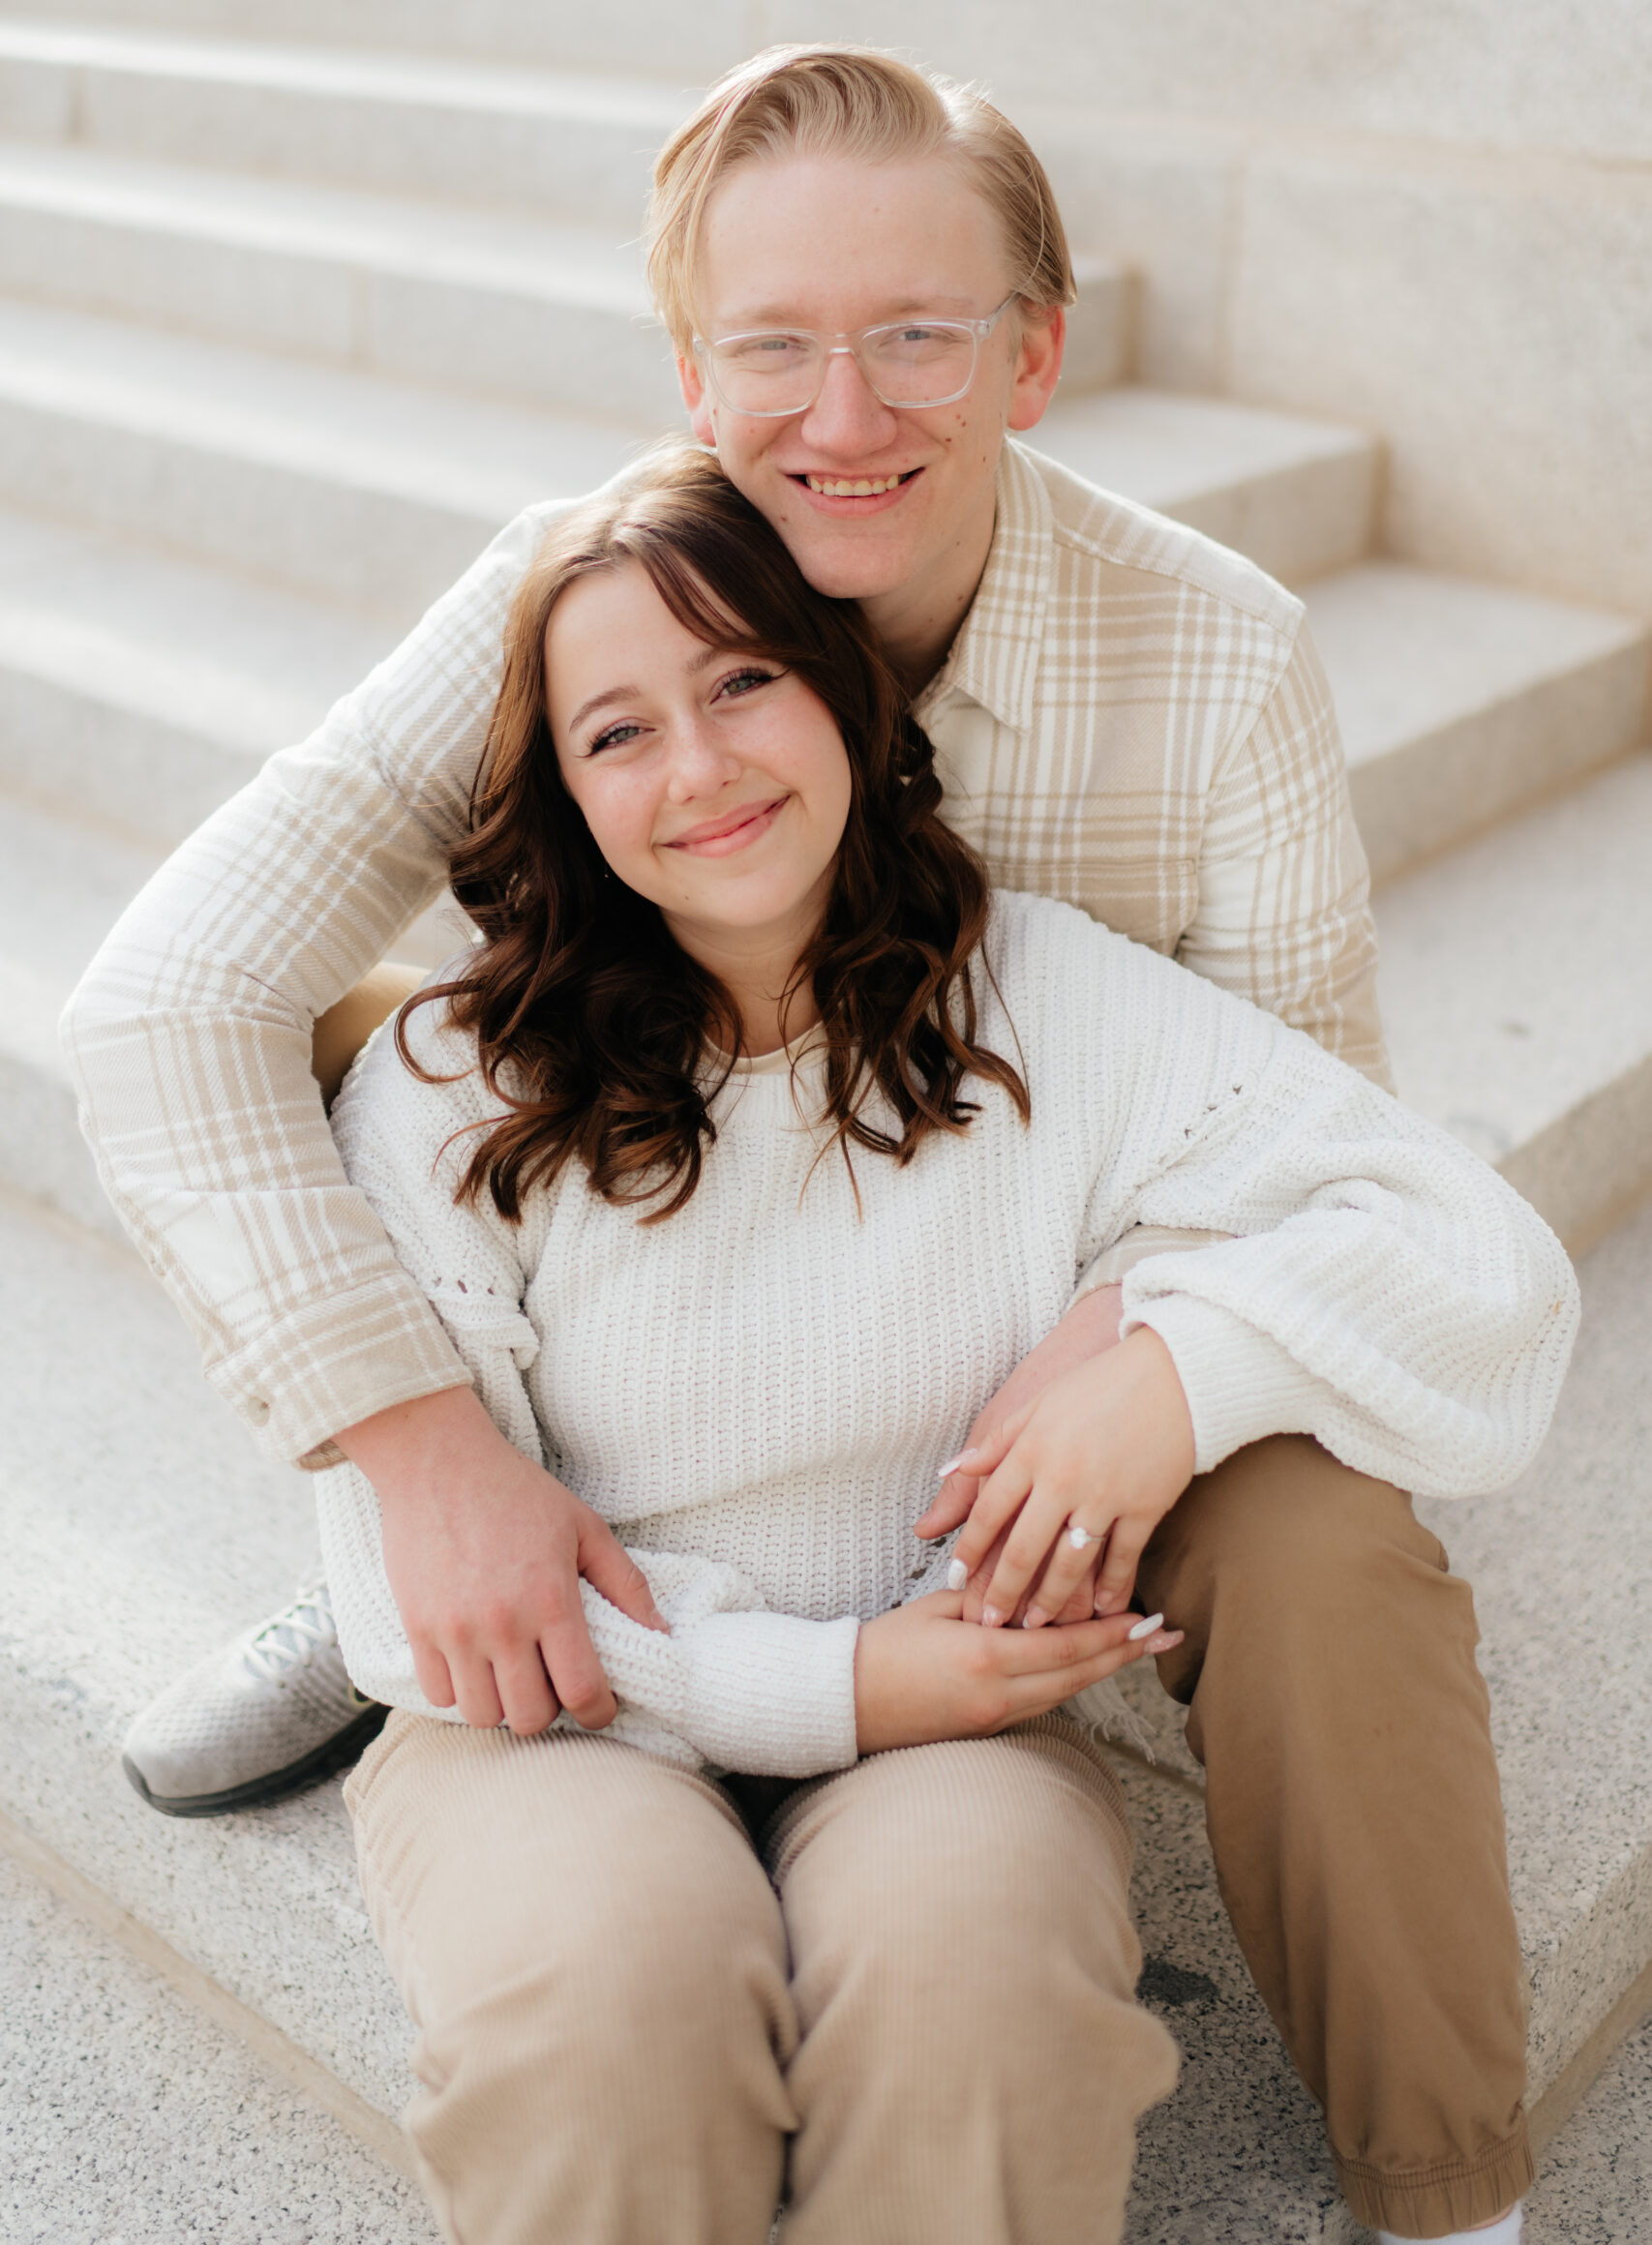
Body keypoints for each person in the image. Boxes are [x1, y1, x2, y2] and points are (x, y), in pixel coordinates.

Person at [63, 45, 1531, 2238]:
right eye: (772, 346)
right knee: (395, 1035)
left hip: (1040, 1300)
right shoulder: (572, 590)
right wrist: (424, 1446)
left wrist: (1151, 1348)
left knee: (1327, 1527)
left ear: (1034, 351)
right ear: (690, 367)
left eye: (916, 333)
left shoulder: (1214, 656)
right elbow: (163, 999)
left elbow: (1318, 1126)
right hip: (606, 1273)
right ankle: (442, 1536)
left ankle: (1446, 2183)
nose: (839, 417)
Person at [314, 445, 1572, 2245]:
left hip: (957, 1721)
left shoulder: (1040, 996)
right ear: (565, 798)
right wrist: (825, 1690)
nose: (703, 766)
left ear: (842, 695)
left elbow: (1485, 1258)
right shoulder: (451, 1081)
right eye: (618, 733)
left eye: (744, 677)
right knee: (613, 2018)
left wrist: (1177, 1357)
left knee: (985, 2009)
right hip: (551, 1725)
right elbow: (397, 1597)